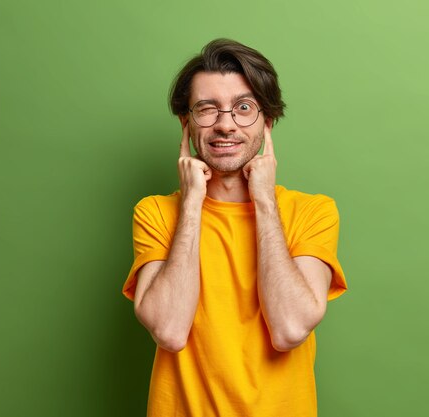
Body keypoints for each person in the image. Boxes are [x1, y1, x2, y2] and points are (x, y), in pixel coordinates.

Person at [122, 38, 347, 417]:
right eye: (207, 110)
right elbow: (170, 331)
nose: (225, 124)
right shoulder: (157, 213)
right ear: (186, 122)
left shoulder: (312, 212)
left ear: (268, 121)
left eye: (244, 108)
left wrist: (263, 199)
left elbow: (290, 329)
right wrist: (192, 202)